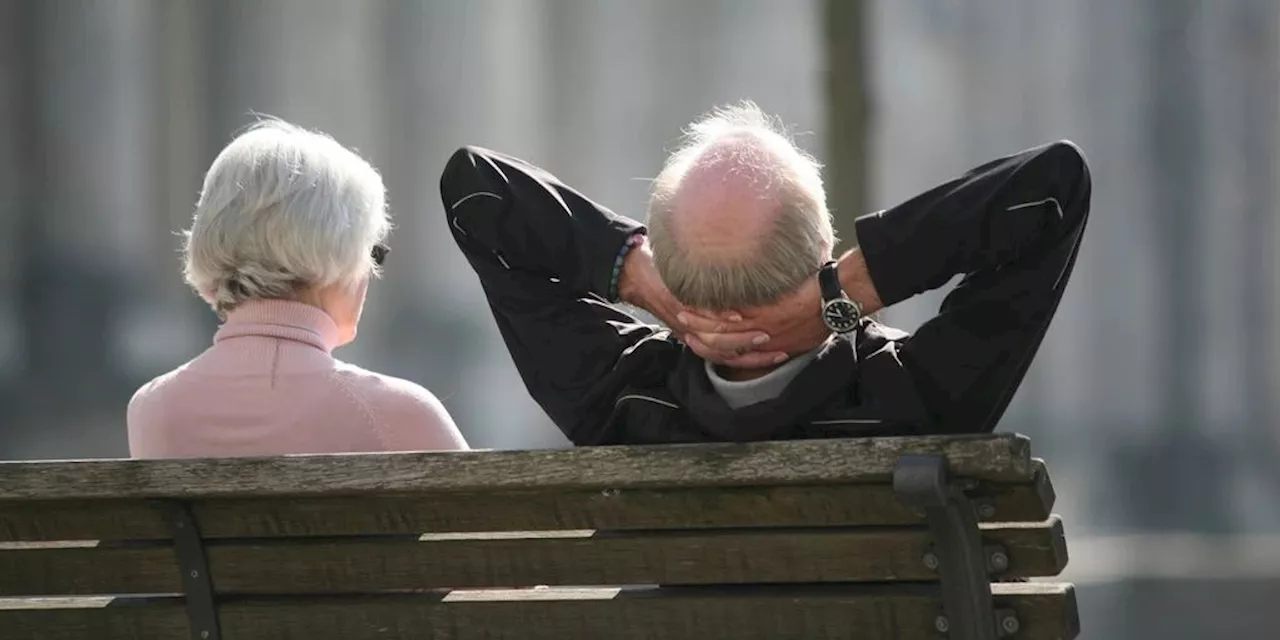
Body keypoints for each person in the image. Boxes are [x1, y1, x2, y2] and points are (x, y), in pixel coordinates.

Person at [440, 101, 1090, 445]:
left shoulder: (617, 401)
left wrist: (641, 281)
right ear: (825, 242)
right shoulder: (919, 397)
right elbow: (1052, 190)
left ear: (673, 269)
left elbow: (479, 195)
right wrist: (845, 294)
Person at [128, 119, 469, 458]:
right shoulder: (398, 412)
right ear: (339, 250)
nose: (372, 274)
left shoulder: (152, 408)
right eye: (372, 252)